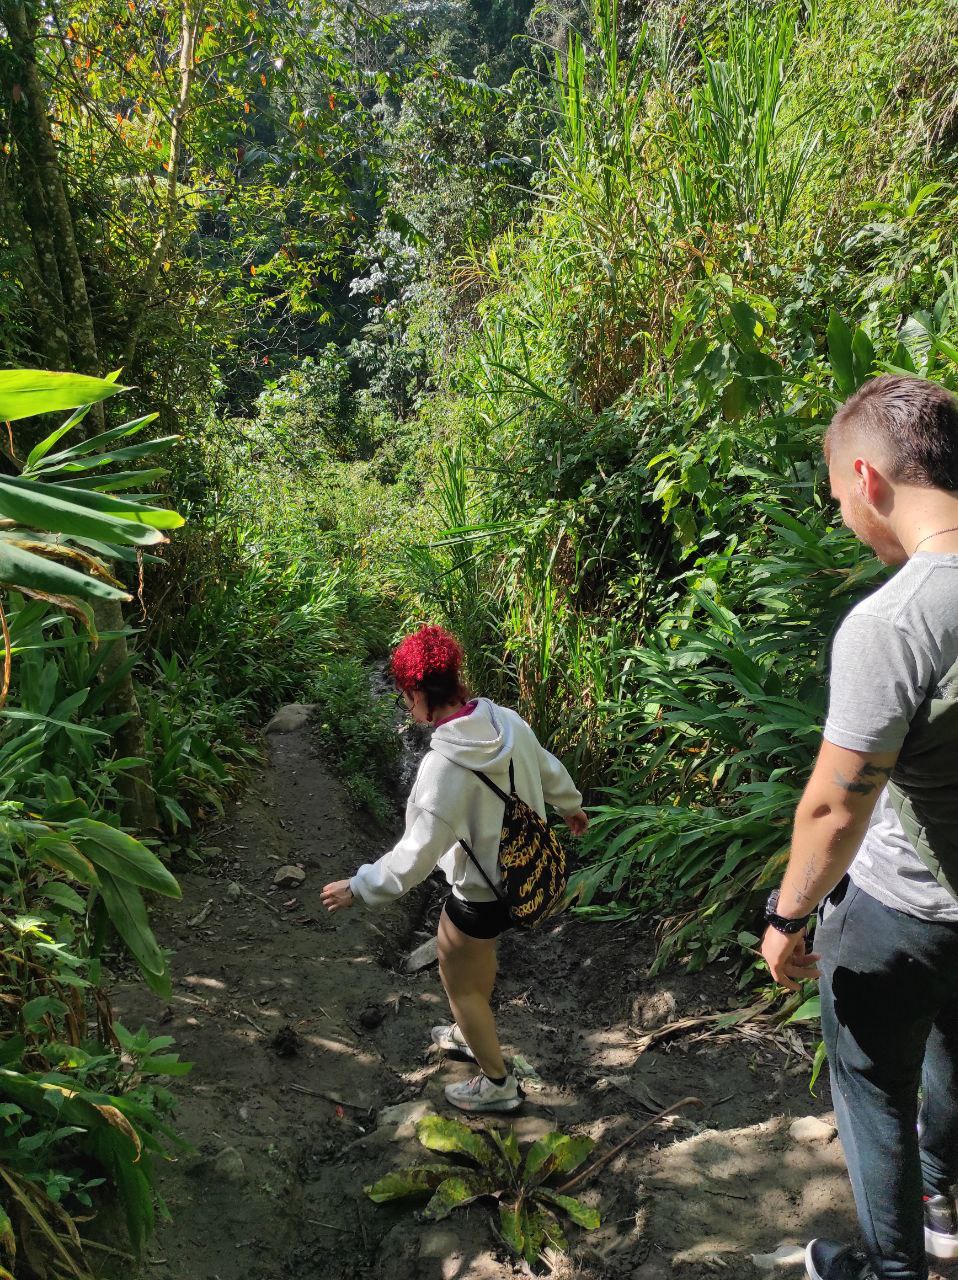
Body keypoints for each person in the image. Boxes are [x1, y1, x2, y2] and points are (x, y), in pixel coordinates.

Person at [760, 375, 958, 1280]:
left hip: (906, 912)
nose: (847, 517)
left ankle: (890, 1269)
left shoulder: (897, 618)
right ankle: (946, 1199)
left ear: (869, 479)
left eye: (841, 498)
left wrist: (790, 915)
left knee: (874, 1088)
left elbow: (838, 806)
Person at [321, 624, 589, 1114]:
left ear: (418, 693)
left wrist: (357, 887)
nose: (408, 708)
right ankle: (472, 1032)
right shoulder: (507, 721)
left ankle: (497, 1085)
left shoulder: (443, 768)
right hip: (523, 875)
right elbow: (547, 767)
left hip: (480, 894)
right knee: (476, 966)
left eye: (406, 698)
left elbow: (414, 857)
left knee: (460, 983)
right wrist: (570, 805)